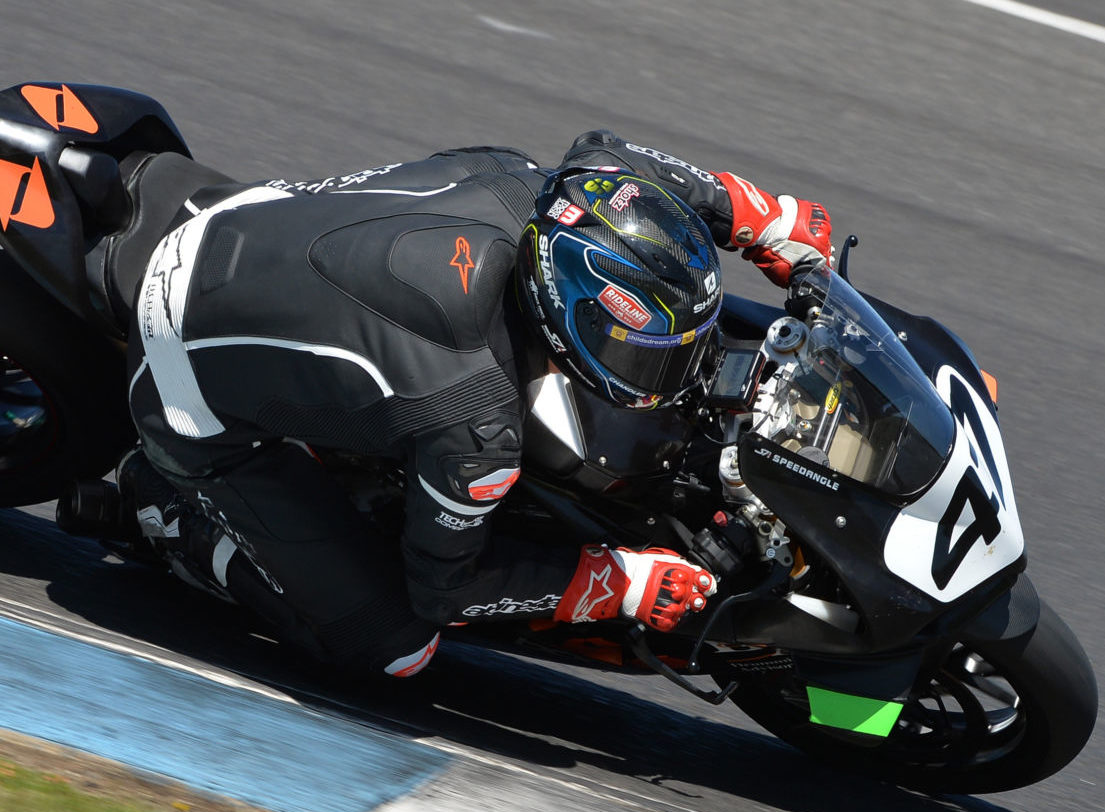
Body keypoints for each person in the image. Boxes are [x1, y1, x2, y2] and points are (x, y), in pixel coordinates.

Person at [102, 131, 834, 678]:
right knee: (396, 646)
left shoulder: (547, 190)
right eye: (648, 355)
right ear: (562, 318)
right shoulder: (476, 424)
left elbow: (619, 164)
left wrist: (763, 215)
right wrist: (619, 580)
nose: (669, 374)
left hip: (240, 219)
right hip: (178, 376)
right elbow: (444, 590)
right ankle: (166, 513)